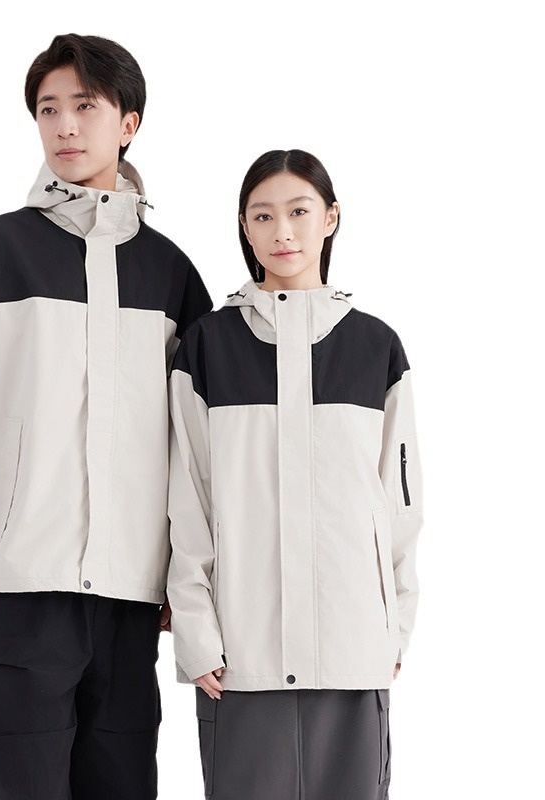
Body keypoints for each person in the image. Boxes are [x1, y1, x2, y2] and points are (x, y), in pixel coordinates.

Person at [0, 33, 212, 800]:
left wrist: (189, 576)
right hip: (21, 582)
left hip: (134, 590)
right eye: (48, 109)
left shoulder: (172, 274)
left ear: (128, 123)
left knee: (123, 785)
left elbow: (199, 447)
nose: (65, 126)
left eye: (85, 106)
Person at [166, 149, 423, 799]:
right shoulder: (208, 345)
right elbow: (187, 499)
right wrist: (197, 632)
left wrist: (393, 630)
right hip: (242, 656)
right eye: (263, 216)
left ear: (330, 218)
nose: (282, 231)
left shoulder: (376, 347)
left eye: (299, 212)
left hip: (352, 652)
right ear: (244, 227)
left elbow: (400, 509)